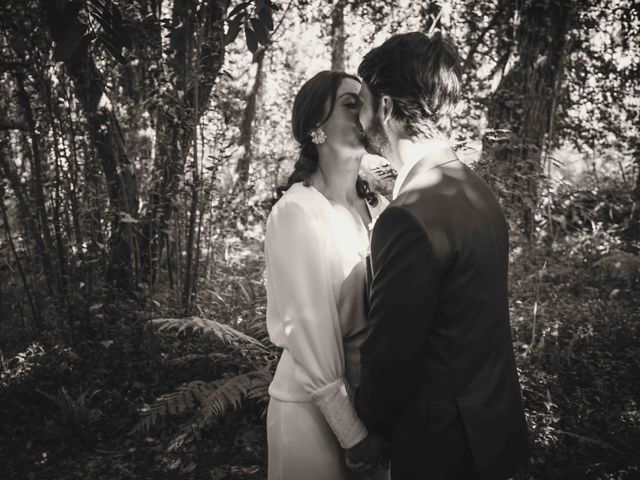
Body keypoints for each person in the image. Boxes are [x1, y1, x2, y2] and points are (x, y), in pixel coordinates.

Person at [346, 32, 531, 479]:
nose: (359, 119)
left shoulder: (408, 216)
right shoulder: (475, 190)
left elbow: (392, 355)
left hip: (439, 448)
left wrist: (366, 430)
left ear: (386, 108)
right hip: (491, 431)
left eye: (363, 103)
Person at [264, 70, 390, 480]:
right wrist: (351, 433)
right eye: (351, 104)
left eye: (367, 104)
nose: (365, 114)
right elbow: (309, 334)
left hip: (375, 406)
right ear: (315, 126)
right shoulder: (297, 213)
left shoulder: (384, 212)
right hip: (310, 415)